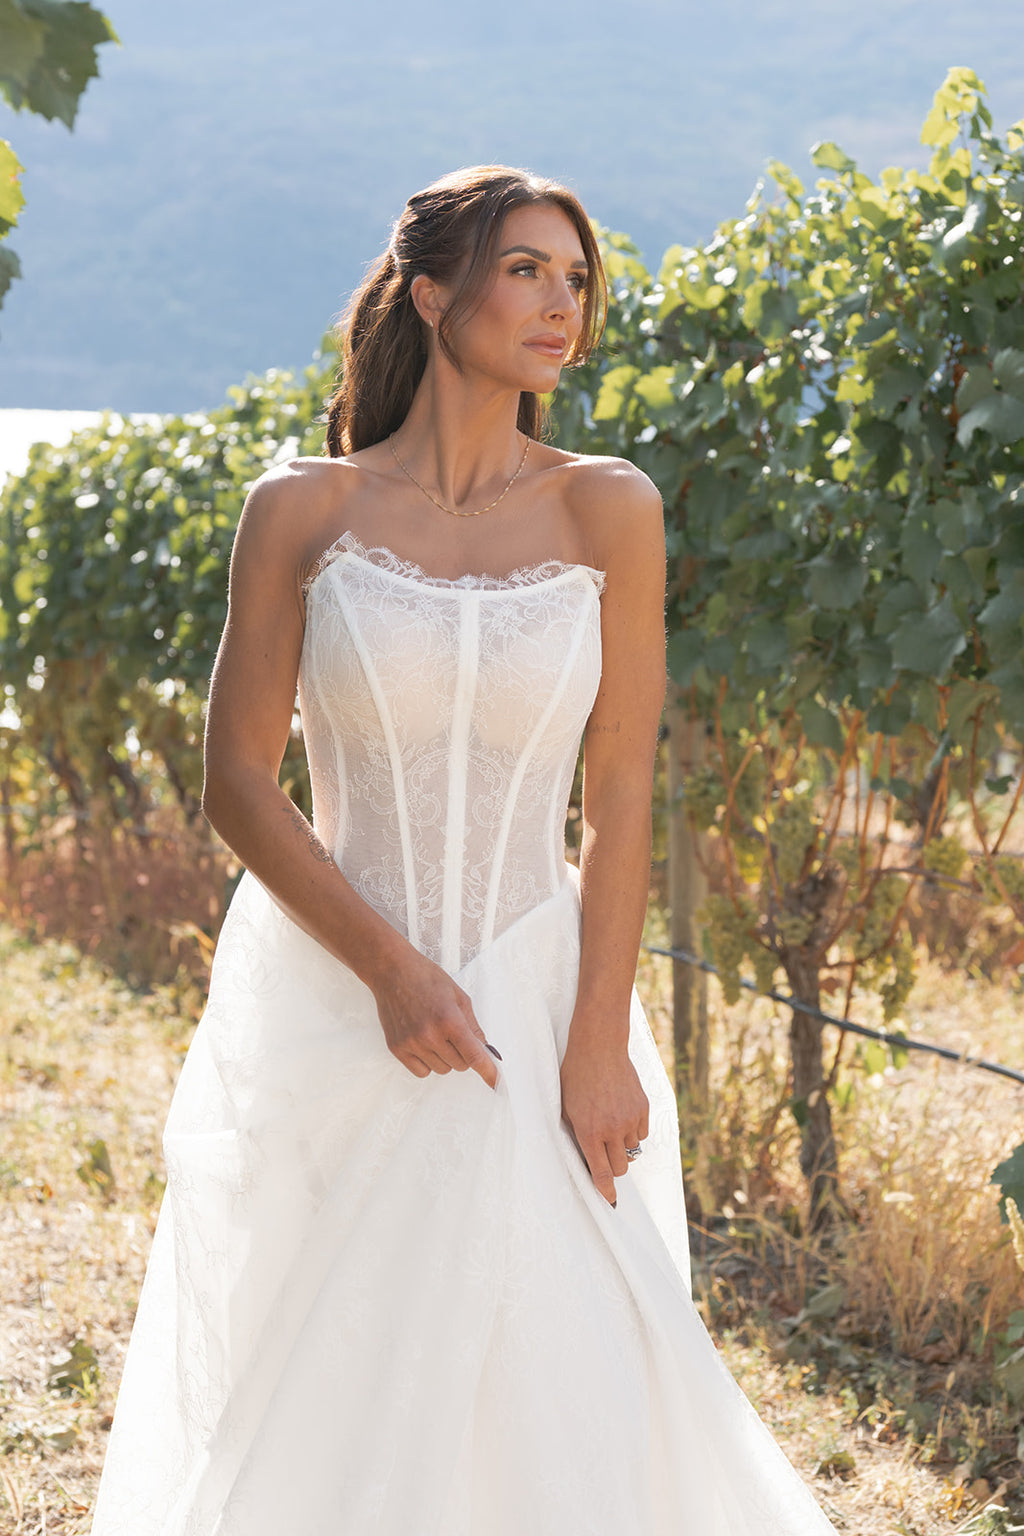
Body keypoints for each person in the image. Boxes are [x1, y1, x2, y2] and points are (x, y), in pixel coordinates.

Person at [89, 165, 839, 1534]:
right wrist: (389, 970)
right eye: (525, 270)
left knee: (574, 1350)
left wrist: (598, 1036)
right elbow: (239, 783)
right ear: (434, 294)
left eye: (577, 277)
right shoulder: (300, 510)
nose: (562, 302)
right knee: (324, 1362)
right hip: (330, 993)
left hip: (542, 989)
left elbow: (618, 792)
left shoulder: (609, 508)